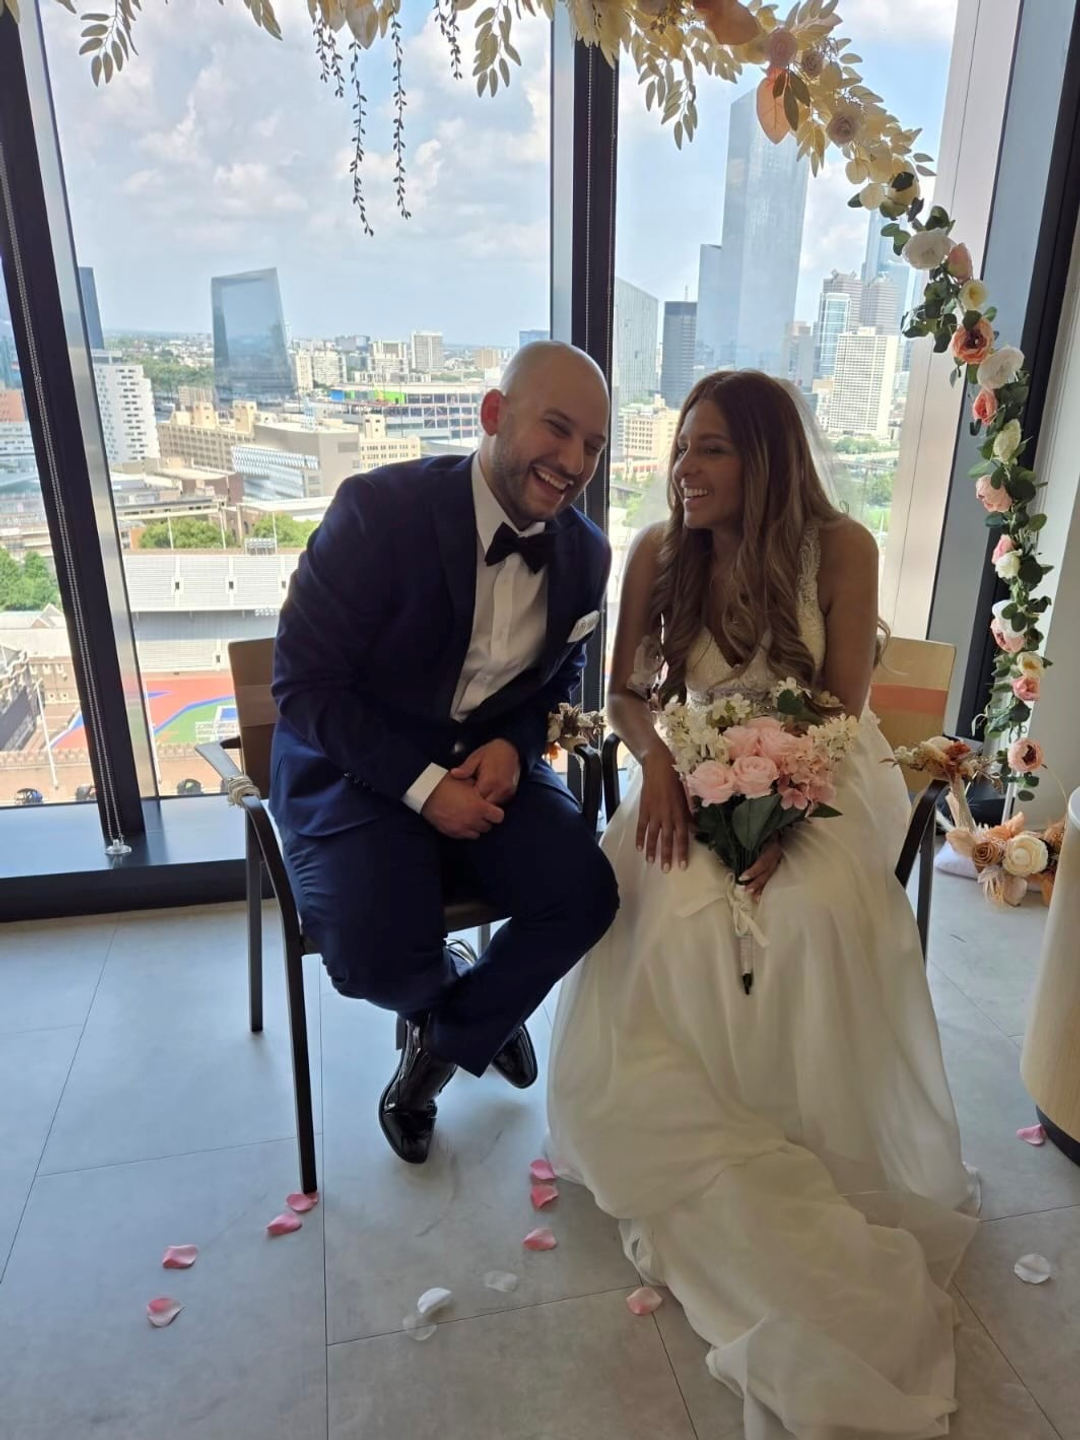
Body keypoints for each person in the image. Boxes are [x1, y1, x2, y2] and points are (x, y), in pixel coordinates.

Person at [548, 370, 979, 1439]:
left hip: (823, 771)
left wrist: (777, 810)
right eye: (681, 449)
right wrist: (659, 768)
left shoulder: (843, 550)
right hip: (686, 764)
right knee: (674, 906)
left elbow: (838, 711)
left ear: (769, 457)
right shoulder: (658, 550)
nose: (684, 472)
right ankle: (709, 1126)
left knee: (817, 912)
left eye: (712, 452)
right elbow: (625, 694)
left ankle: (810, 1127)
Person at [271, 341, 619, 1165]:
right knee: (367, 955)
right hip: (362, 764)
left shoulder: (586, 554)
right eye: (557, 429)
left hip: (488, 759)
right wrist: (425, 789)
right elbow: (304, 687)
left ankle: (443, 1045)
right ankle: (451, 993)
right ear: (494, 415)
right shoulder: (376, 513)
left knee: (586, 895)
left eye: (593, 446)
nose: (573, 463)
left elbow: (561, 668)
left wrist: (517, 740)